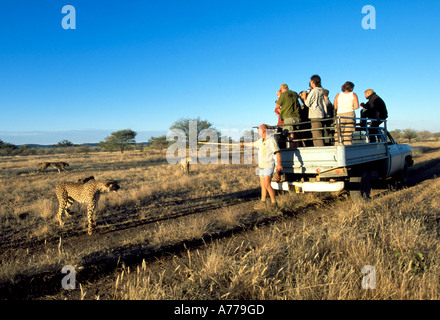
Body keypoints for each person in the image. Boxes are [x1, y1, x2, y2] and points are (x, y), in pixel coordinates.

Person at [244, 124, 283, 210]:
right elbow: (253, 144)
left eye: (259, 131)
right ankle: (263, 201)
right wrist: (242, 144)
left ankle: (274, 202)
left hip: (268, 165)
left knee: (267, 184)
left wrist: (279, 165)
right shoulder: (261, 140)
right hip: (261, 165)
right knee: (262, 184)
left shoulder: (271, 140)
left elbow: (278, 152)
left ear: (264, 131)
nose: (258, 132)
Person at [299, 75, 326, 147]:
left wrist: (304, 97)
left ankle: (319, 150)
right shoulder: (321, 90)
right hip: (320, 114)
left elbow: (307, 103)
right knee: (319, 134)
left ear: (312, 81)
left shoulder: (314, 91)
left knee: (316, 135)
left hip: (315, 115)